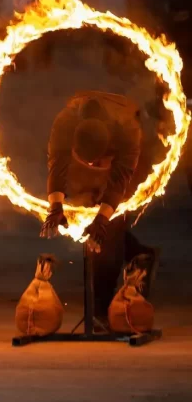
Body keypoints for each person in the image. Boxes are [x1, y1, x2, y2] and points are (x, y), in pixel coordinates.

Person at [40, 91, 159, 326]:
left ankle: (99, 310)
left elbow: (119, 182)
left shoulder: (129, 133)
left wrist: (103, 220)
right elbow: (57, 166)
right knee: (91, 212)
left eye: (97, 163)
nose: (94, 167)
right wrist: (55, 207)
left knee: (108, 230)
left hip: (129, 155)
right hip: (91, 146)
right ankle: (139, 254)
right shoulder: (64, 125)